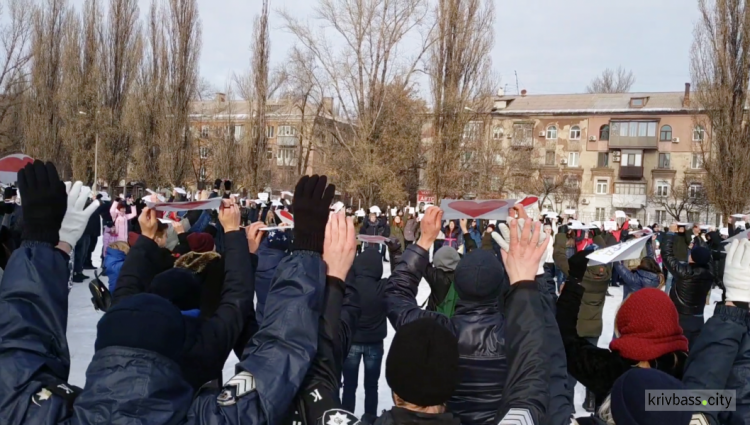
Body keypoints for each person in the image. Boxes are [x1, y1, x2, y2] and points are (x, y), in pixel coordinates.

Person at [558, 253, 688, 414]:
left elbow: (565, 338)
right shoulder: (690, 370)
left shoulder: (611, 370)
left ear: (624, 323)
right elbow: (722, 401)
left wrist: (574, 280)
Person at [682, 238, 750, 424]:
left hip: (693, 322)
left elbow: (697, 400)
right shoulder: (706, 275)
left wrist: (733, 310)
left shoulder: (684, 273)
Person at [341, 248, 387, 423]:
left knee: (349, 386)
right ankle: (370, 419)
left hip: (352, 341)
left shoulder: (350, 284)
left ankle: (345, 418)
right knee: (371, 386)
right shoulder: (382, 287)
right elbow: (400, 279)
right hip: (375, 344)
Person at [663, 233, 714, 349]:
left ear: (692, 257)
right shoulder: (710, 273)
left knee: (678, 351)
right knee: (693, 353)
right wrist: (698, 237)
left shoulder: (684, 272)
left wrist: (670, 235)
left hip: (681, 318)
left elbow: (667, 255)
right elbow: (707, 256)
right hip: (698, 317)